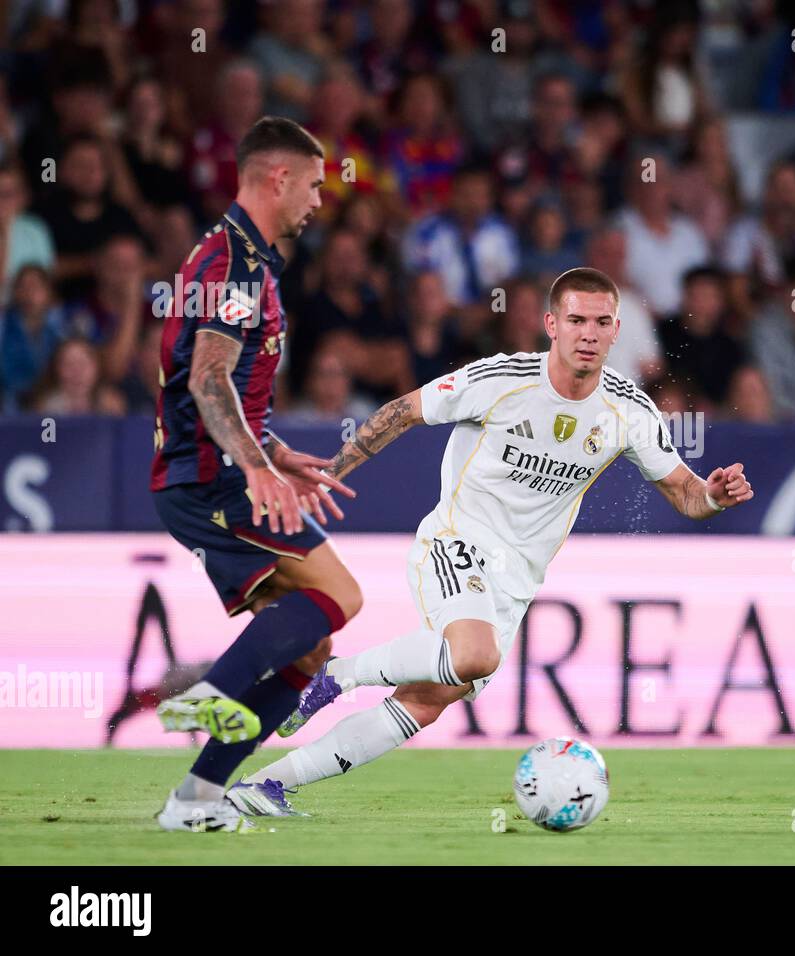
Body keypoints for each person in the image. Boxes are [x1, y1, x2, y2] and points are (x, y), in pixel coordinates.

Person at [229, 267, 753, 814]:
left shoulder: (628, 410)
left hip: (517, 581)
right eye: (576, 320)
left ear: (617, 330)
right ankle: (331, 677)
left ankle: (266, 785)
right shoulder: (501, 379)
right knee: (475, 655)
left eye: (601, 322)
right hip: (459, 541)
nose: (589, 333)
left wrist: (714, 494)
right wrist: (332, 471)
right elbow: (402, 411)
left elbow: (685, 493)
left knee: (428, 701)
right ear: (551, 323)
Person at [149, 117, 360, 832]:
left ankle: (196, 799)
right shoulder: (233, 264)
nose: (319, 200)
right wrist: (252, 465)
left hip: (207, 470)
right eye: (314, 184)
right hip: (209, 478)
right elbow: (209, 381)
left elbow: (202, 383)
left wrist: (271, 448)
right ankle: (209, 688)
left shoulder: (240, 259)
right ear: (279, 178)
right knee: (340, 595)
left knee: (314, 641)